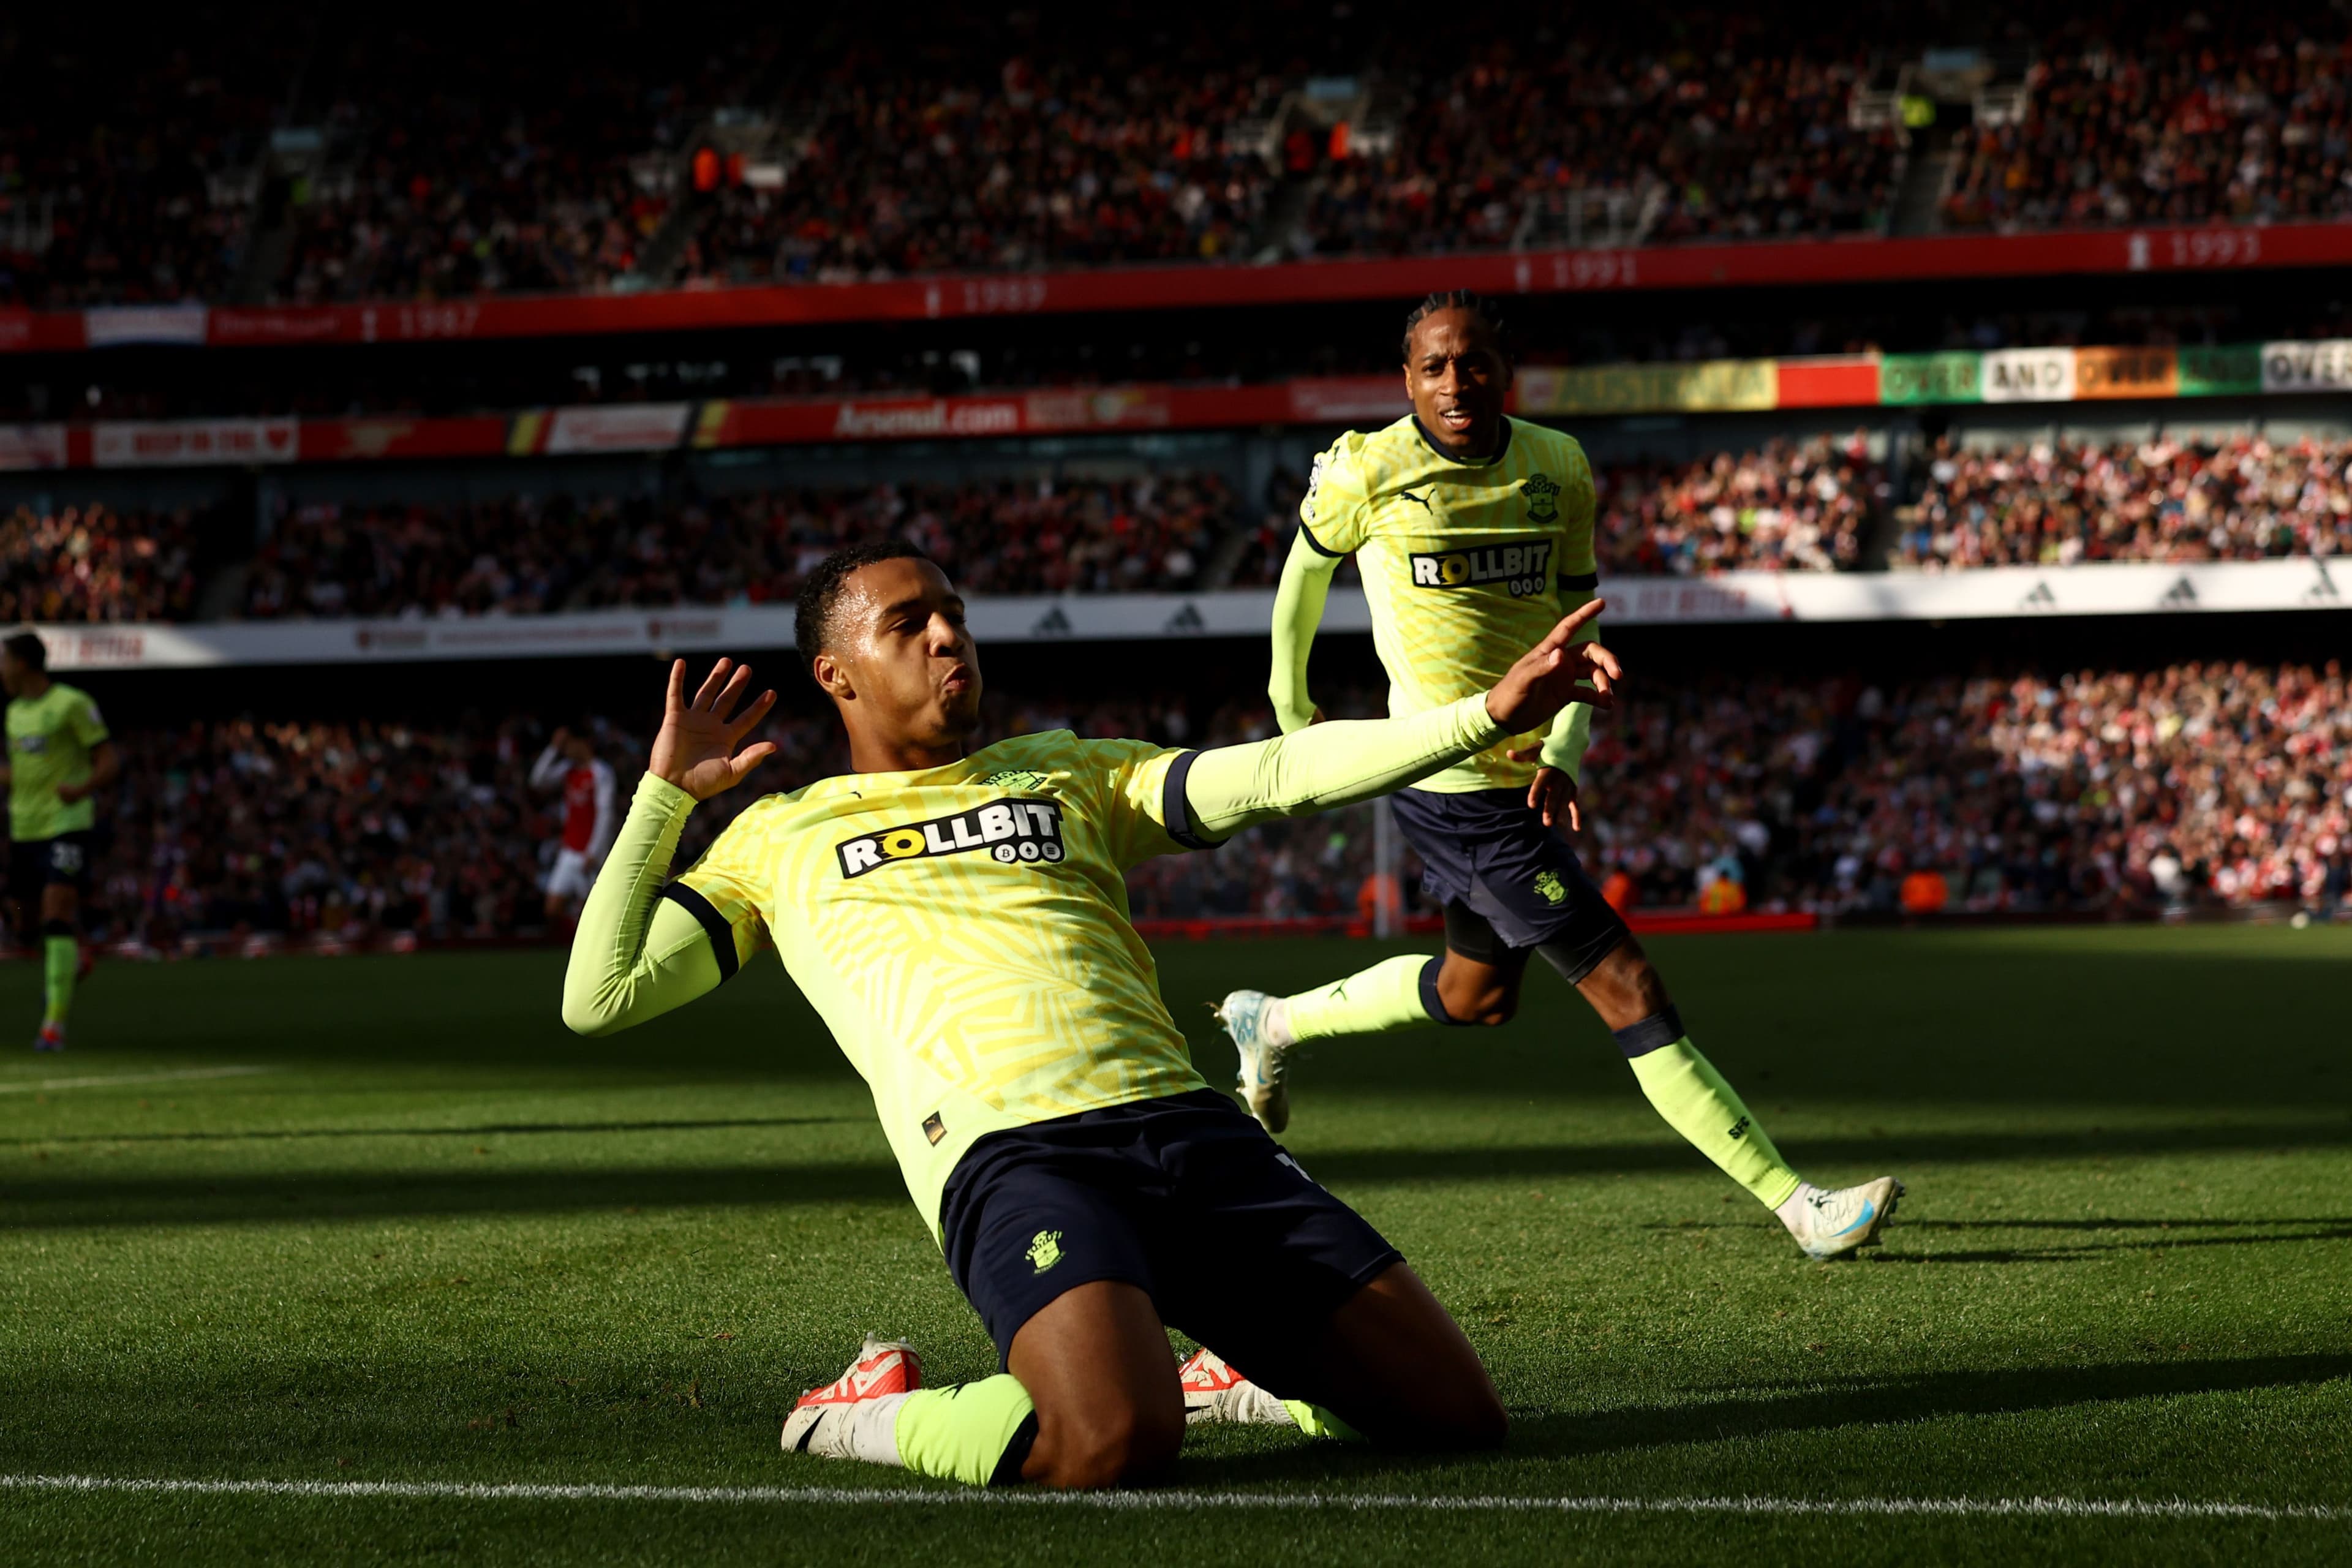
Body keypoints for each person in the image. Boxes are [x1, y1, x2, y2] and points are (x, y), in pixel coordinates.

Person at [562, 538, 1619, 1489]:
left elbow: (1275, 774)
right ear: (836, 675)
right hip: (1019, 1158)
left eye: (955, 614)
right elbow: (598, 999)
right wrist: (665, 798)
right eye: (908, 624)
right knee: (1113, 1440)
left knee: (1458, 1421)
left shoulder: (1061, 769)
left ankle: (1233, 1373)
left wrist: (1478, 717)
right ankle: (869, 1415)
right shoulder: (776, 839)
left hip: (1193, 1131)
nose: (948, 637)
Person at [1212, 291, 1902, 1261]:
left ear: (1506, 368)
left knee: (1476, 993)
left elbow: (1578, 622)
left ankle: (1272, 1020)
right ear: (1406, 380)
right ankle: (1801, 1207)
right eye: (1436, 367)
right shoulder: (1367, 468)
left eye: (1474, 361)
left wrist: (1564, 750)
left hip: (1517, 767)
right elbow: (1299, 583)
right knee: (1628, 985)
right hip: (1449, 777)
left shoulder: (1558, 466)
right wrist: (1292, 710)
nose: (1457, 383)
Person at [1, 629, 118, 1050]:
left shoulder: (72, 704)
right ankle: (74, 962)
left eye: (4, 660)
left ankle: (53, 1026)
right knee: (23, 923)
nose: (0, 670)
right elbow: (21, 770)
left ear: (24, 664)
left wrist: (83, 788)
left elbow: (108, 760)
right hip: (24, 828)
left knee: (57, 914)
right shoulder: (14, 713)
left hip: (66, 822)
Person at [529, 725, 616, 931]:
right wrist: (552, 748)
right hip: (569, 850)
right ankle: (576, 932)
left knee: (597, 912)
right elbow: (537, 781)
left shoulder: (601, 772)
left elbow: (605, 815)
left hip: (591, 854)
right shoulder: (567, 769)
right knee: (552, 908)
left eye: (568, 744)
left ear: (583, 743)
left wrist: (593, 852)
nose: (566, 749)